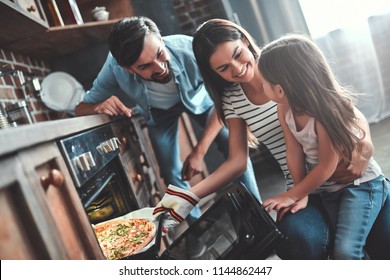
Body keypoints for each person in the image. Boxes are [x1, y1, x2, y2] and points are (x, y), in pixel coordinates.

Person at [153, 18, 390, 259]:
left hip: (348, 179)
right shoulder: (232, 99)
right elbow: (237, 161)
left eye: (237, 54)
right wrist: (187, 196)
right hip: (302, 184)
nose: (236, 69)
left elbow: (335, 100)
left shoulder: (281, 61)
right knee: (297, 241)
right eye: (223, 68)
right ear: (212, 73)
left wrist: (365, 145)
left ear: (245, 40)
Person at [75, 16, 261, 222]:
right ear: (128, 69)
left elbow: (226, 99)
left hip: (199, 100)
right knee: (171, 171)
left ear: (161, 39)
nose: (160, 68)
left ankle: (257, 216)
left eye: (159, 54)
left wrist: (199, 151)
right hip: (159, 113)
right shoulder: (114, 68)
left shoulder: (190, 50)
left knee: (230, 141)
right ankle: (197, 230)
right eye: (145, 66)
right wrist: (97, 106)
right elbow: (81, 108)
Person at [259, 34, 388, 259]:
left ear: (279, 90)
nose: (262, 87)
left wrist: (291, 195)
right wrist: (300, 193)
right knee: (346, 247)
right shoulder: (284, 109)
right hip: (328, 189)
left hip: (360, 187)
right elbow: (294, 151)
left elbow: (327, 167)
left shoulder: (324, 115)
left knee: (346, 252)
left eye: (264, 83)